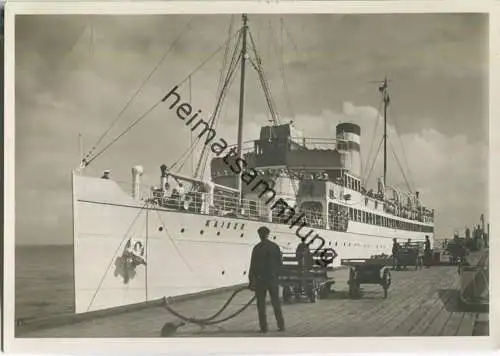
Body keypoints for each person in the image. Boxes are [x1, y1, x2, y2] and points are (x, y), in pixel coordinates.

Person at [248, 226, 285, 333]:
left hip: (261, 280)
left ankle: (264, 328)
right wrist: (277, 276)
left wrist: (251, 281)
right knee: (276, 303)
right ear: (268, 234)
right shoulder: (275, 247)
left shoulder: (257, 248)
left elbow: (253, 266)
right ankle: (281, 325)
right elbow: (280, 264)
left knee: (261, 305)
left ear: (259, 235)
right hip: (273, 279)